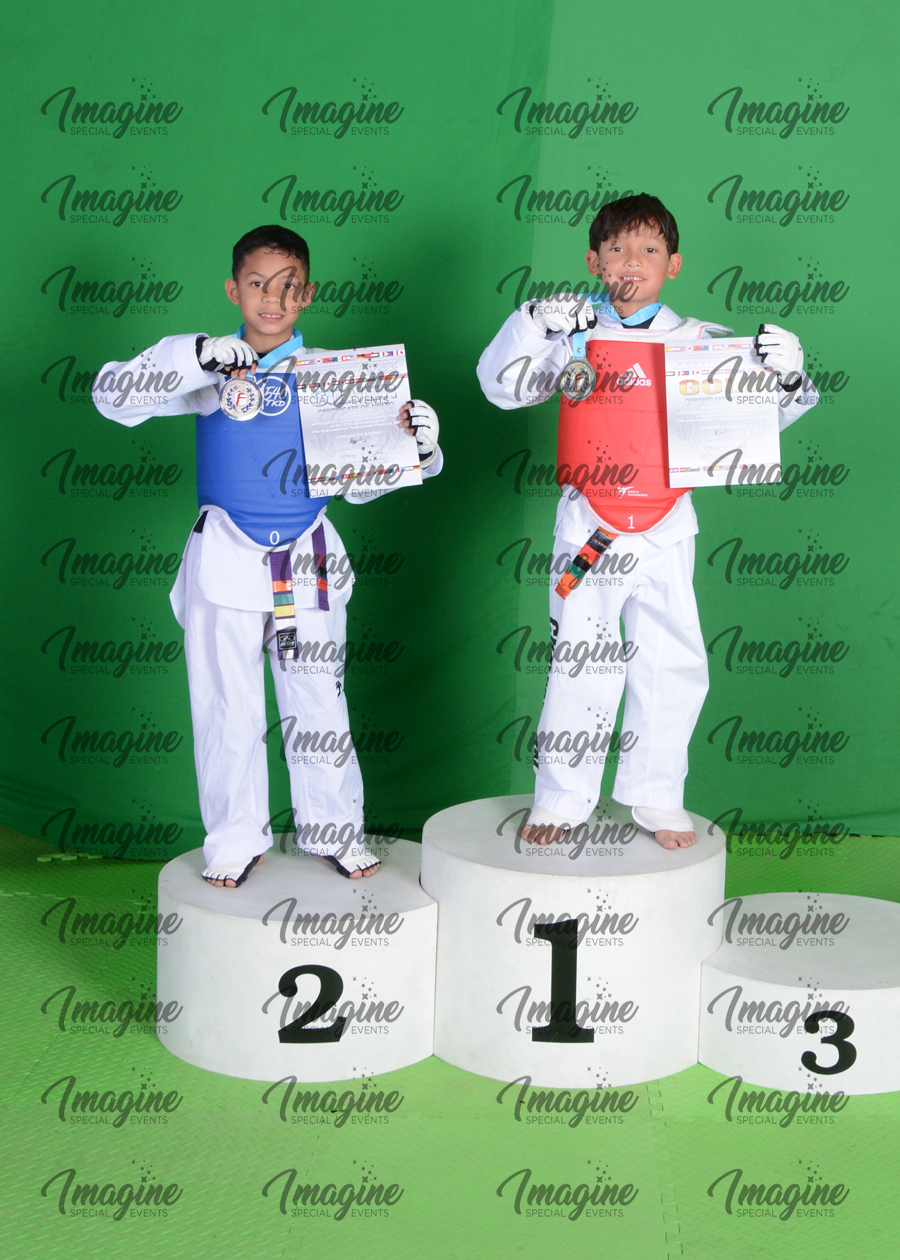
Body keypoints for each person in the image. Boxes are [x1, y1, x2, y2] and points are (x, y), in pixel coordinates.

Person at [92, 225, 441, 886]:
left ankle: (334, 831)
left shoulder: (336, 375)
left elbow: (363, 483)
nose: (272, 300)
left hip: (306, 553)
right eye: (257, 284)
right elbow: (114, 398)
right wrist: (197, 354)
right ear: (234, 290)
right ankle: (233, 840)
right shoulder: (207, 371)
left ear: (306, 294)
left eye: (287, 287)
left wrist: (418, 447)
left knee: (319, 703)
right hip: (225, 554)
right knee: (225, 705)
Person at [477, 193, 816, 851]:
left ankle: (658, 795)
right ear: (593, 261)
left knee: (671, 660)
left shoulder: (701, 343)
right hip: (589, 526)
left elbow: (754, 426)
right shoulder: (569, 336)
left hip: (667, 526)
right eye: (617, 248)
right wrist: (531, 323)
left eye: (649, 249)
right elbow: (501, 386)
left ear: (674, 264)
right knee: (580, 660)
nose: (632, 260)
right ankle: (562, 797)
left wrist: (787, 378)